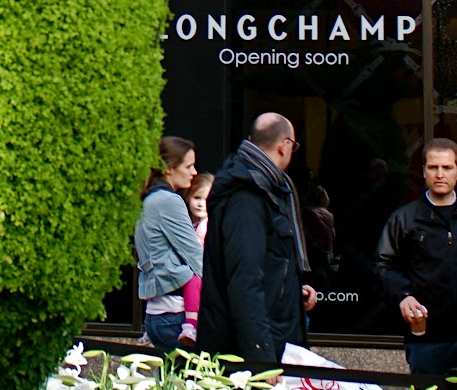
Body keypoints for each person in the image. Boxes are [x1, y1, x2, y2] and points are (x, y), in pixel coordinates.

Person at [197, 112, 318, 365]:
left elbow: (268, 266)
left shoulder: (263, 187)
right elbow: (244, 280)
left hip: (269, 340)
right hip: (252, 356)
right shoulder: (247, 196)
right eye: (294, 146)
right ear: (284, 146)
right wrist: (261, 356)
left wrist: (292, 292)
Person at [374, 136, 457, 381]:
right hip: (426, 341)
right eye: (433, 167)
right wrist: (404, 296)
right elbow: (384, 264)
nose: (440, 174)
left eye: (447, 167)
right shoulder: (405, 219)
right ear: (423, 171)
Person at [133, 135, 203, 352]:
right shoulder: (168, 201)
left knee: (173, 382)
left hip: (156, 315)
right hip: (177, 317)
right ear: (170, 169)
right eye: (189, 166)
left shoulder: (148, 199)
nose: (194, 172)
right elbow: (196, 257)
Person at [179, 170, 213, 345]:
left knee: (191, 281)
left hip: (202, 273)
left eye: (206, 199)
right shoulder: (192, 224)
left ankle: (190, 325)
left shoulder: (206, 226)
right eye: (197, 198)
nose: (201, 204)